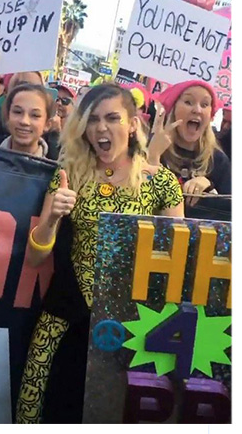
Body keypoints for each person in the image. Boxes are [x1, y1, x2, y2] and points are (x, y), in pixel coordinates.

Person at [16, 84, 184, 424]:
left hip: (127, 330)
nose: (102, 128)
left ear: (133, 124)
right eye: (93, 119)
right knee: (38, 408)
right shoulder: (70, 174)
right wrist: (51, 217)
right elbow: (34, 259)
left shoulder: (162, 184)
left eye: (113, 118)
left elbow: (176, 267)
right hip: (64, 316)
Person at [148, 80, 231, 217]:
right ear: (173, 110)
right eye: (188, 102)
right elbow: (138, 201)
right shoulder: (152, 147)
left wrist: (210, 187)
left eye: (204, 104)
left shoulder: (218, 159)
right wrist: (153, 157)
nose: (197, 110)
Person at [0, 84, 58, 159]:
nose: (24, 121)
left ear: (47, 124)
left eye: (35, 115)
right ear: (7, 116)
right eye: (18, 112)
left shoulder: (51, 170)